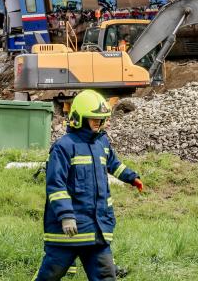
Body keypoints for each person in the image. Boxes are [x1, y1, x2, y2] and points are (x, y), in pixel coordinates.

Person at [35, 90, 143, 281]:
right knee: (50, 275)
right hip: (67, 232)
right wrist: (66, 216)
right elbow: (56, 185)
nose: (98, 123)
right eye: (94, 118)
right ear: (78, 118)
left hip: (96, 229)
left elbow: (114, 164)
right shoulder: (64, 146)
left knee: (106, 275)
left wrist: (131, 177)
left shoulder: (102, 142)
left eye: (101, 119)